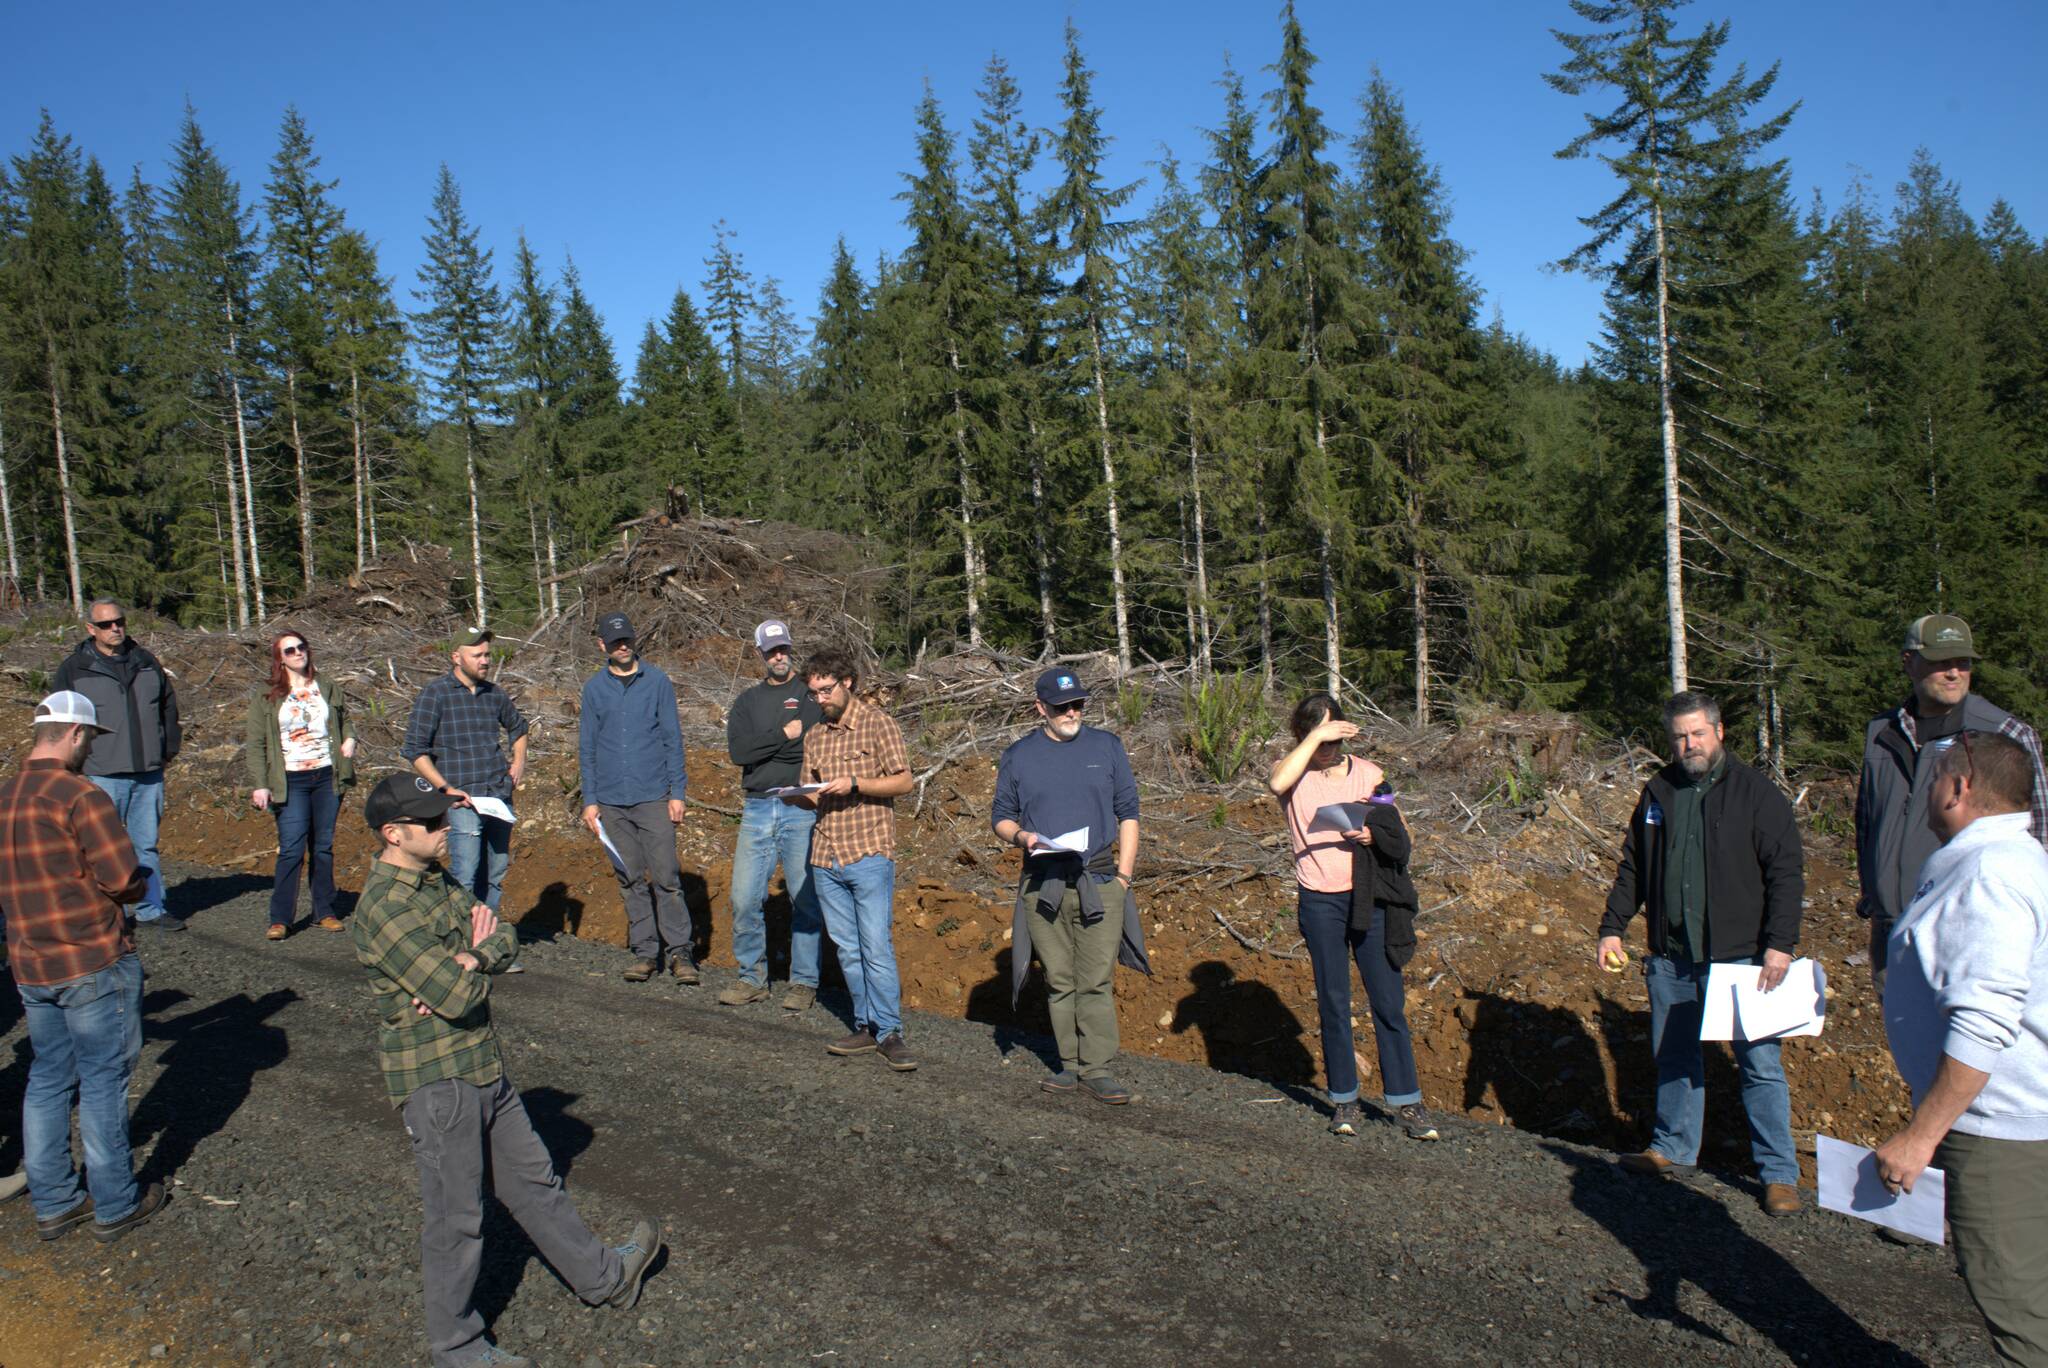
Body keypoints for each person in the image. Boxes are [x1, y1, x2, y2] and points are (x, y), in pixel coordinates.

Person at [351, 774, 663, 1368]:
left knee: (534, 1181)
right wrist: (468, 967)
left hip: (479, 1063)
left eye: (444, 817)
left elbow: (503, 935)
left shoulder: (434, 879)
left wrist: (471, 956)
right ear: (392, 834)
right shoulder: (386, 908)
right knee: (456, 1221)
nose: (445, 828)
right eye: (432, 823)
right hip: (438, 1079)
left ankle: (606, 1279)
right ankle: (457, 1348)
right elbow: (456, 994)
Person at [1598, 691, 1806, 1215]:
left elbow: (1786, 871)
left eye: (1697, 734)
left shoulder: (1756, 793)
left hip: (1743, 959)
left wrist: (1780, 945)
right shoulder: (1659, 791)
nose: (1689, 744)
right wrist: (1612, 927)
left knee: (1759, 1064)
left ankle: (1779, 1174)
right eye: (1679, 737)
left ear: (1719, 732)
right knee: (1674, 1055)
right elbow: (1633, 867)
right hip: (1672, 954)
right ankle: (1672, 1147)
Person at [1876, 731, 2048, 1366]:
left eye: (1935, 779)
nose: (1928, 793)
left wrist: (1921, 1137)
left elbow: (1984, 1019)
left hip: (1996, 1126)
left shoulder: (1988, 874)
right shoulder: (2007, 860)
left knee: (2018, 1308)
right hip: (2013, 1113)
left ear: (1959, 786)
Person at [1, 691, 167, 1243]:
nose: (90, 749)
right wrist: (139, 884)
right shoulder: (80, 795)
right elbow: (120, 878)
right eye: (90, 739)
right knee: (102, 1080)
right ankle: (116, 1202)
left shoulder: (6, 796)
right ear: (75, 734)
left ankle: (54, 1201)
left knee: (48, 1077)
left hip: (31, 963)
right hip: (91, 958)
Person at [1267, 693, 1438, 1141]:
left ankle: (1407, 1101)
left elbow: (1399, 830)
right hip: (1320, 900)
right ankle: (1345, 1098)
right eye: (1318, 737)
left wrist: (1371, 835)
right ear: (1304, 735)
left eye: (1334, 737)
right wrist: (1314, 738)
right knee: (1333, 1000)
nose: (1328, 747)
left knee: (1388, 1001)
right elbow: (1276, 782)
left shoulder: (1369, 774)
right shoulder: (1294, 773)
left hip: (1370, 897)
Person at [1856, 614, 2048, 996]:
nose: (1954, 672)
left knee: (1972, 1028)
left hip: (1968, 932)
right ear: (1909, 662)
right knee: (1902, 1031)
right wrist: (1871, 895)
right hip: (1892, 930)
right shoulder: (1881, 733)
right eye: (1941, 661)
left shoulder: (2004, 734)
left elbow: (2040, 832)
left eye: (1963, 662)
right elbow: (1867, 820)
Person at [992, 668, 1150, 1104]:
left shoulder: (1107, 747)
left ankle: (1097, 1069)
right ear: (1040, 708)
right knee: (1059, 978)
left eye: (1078, 704)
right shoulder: (1018, 756)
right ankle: (1070, 1065)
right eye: (1061, 706)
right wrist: (1021, 837)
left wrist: (1123, 877)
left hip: (1099, 881)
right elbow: (1001, 816)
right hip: (1043, 884)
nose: (1072, 712)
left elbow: (1129, 812)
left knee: (1095, 979)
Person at [784, 647, 916, 1071]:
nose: (820, 699)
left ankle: (889, 1031)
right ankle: (865, 1024)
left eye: (826, 690)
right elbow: (811, 794)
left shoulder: (878, 724)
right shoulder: (815, 735)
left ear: (848, 683)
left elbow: (904, 781)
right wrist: (798, 796)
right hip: (825, 854)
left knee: (875, 945)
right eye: (814, 693)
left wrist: (856, 783)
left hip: (868, 852)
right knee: (847, 949)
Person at [52, 598, 182, 931]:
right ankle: (106, 914)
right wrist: (71, 765)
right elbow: (60, 721)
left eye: (119, 621)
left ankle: (151, 909)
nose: (115, 628)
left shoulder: (146, 662)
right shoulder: (74, 669)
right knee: (100, 848)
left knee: (145, 846)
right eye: (106, 624)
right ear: (90, 628)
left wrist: (167, 749)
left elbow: (168, 708)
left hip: (148, 772)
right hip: (100, 773)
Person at [578, 612, 694, 984]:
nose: (622, 646)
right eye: (615, 642)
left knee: (666, 877)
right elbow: (587, 748)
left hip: (653, 796)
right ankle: (645, 953)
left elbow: (673, 739)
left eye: (626, 639)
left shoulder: (657, 682)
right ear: (602, 645)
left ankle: (679, 953)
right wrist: (590, 800)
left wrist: (677, 792)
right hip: (611, 800)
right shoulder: (594, 689)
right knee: (629, 878)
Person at [719, 619, 825, 1010]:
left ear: (790, 648)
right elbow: (739, 753)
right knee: (744, 898)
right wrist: (783, 736)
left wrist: (768, 749)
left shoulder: (811, 695)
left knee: (805, 898)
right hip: (758, 806)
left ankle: (804, 982)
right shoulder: (747, 702)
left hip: (801, 805)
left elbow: (811, 748)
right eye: (771, 651)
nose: (779, 656)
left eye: (783, 649)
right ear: (760, 654)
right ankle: (752, 978)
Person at [402, 627, 529, 913]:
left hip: (498, 796)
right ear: (456, 657)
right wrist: (446, 789)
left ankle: (487, 934)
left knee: (495, 874)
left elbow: (519, 728)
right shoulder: (435, 694)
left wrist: (518, 762)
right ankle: (459, 934)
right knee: (465, 874)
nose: (485, 661)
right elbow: (415, 750)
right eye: (477, 655)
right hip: (461, 800)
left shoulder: (494, 694)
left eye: (487, 655)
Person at [245, 629, 358, 940]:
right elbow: (256, 744)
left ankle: (325, 911)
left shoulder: (326, 685)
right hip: (289, 780)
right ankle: (281, 918)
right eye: (289, 650)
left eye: (301, 647)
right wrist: (261, 784)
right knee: (292, 849)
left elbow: (345, 719)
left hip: (326, 776)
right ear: (279, 659)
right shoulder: (267, 695)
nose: (298, 653)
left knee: (322, 847)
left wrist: (350, 738)